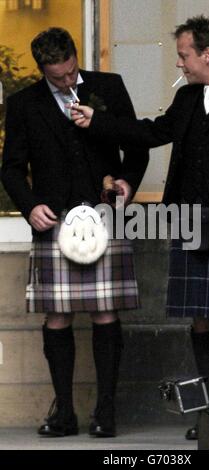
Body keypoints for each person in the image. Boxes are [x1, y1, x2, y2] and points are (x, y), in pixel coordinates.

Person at [70, 15, 209, 440]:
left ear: (207, 54)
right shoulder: (187, 100)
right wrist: (97, 120)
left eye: (184, 55)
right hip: (189, 222)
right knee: (202, 320)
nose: (180, 64)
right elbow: (149, 133)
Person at [1, 27, 149, 438]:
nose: (67, 82)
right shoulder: (24, 104)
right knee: (58, 314)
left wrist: (127, 184)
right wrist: (30, 206)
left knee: (105, 310)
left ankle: (106, 412)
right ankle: (64, 412)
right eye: (57, 77)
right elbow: (11, 167)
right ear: (42, 70)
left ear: (74, 57)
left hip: (104, 212)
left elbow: (136, 144)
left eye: (70, 73)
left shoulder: (108, 87)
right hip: (55, 219)